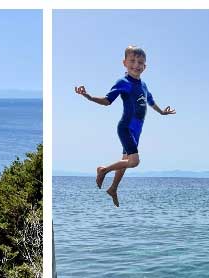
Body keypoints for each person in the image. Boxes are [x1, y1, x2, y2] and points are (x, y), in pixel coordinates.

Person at [75, 45, 176, 207]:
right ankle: (103, 170)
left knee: (125, 161)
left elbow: (150, 101)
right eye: (132, 61)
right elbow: (107, 101)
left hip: (137, 130)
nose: (136, 65)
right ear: (124, 63)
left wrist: (162, 112)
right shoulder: (123, 82)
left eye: (140, 62)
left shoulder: (143, 85)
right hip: (126, 127)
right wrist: (89, 97)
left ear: (145, 66)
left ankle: (113, 188)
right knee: (134, 161)